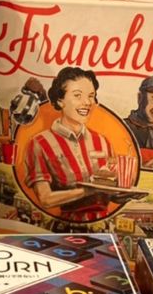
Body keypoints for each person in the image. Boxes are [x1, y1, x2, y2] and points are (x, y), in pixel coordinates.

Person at [23, 67, 114, 224]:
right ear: (60, 101)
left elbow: (111, 188)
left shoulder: (102, 141)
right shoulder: (40, 143)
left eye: (91, 96)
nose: (87, 102)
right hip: (68, 227)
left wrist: (123, 194)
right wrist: (87, 191)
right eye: (78, 95)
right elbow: (45, 199)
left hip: (106, 226)